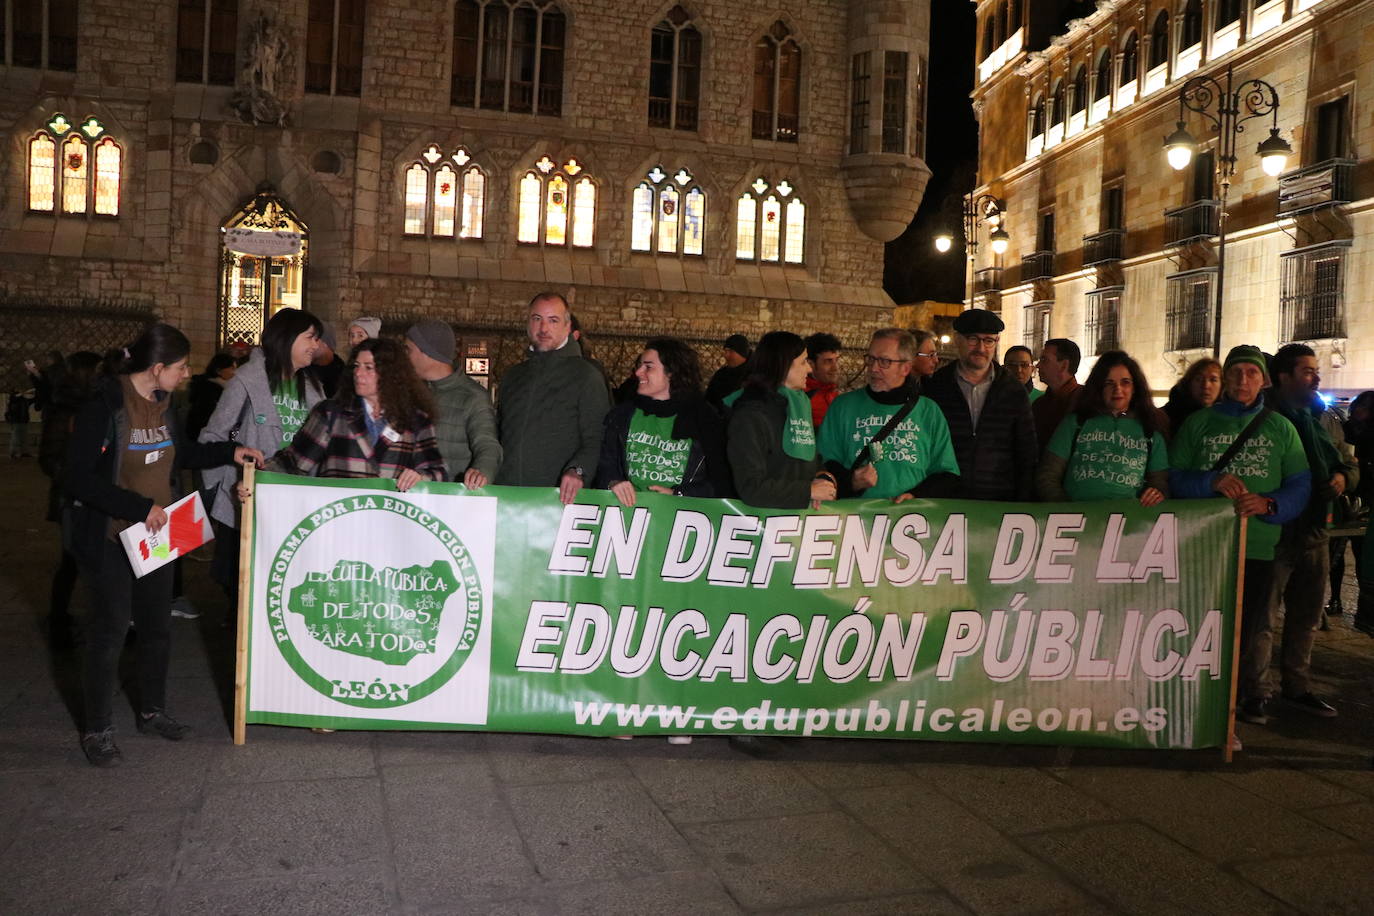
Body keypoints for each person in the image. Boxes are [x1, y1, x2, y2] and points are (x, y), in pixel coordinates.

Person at [64, 323, 265, 767]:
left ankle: (152, 710)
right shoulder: (106, 406)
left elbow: (182, 453)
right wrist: (136, 507)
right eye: (180, 366)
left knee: (157, 627)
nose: (188, 373)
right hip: (112, 534)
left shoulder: (166, 403)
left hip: (160, 532)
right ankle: (97, 728)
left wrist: (229, 452)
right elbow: (77, 477)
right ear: (156, 368)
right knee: (111, 631)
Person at [1170, 345, 1311, 728]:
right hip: (1205, 547)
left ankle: (1235, 704)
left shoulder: (1281, 427)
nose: (1242, 380)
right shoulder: (1198, 423)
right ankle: (1194, 699)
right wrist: (1209, 481)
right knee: (1199, 627)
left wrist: (1269, 504)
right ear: (1225, 379)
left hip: (1259, 546)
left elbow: (1300, 483)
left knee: (1247, 632)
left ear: (1264, 380)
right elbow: (1175, 477)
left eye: (1251, 372)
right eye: (1235, 373)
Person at [201, 308, 326, 609]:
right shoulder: (248, 379)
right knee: (247, 598)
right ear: (287, 338)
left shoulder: (313, 386)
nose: (316, 345)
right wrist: (228, 490)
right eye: (310, 337)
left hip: (296, 507)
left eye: (317, 339)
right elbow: (212, 437)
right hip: (249, 505)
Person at [1263, 344, 1356, 717]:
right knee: (1262, 617)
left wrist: (1340, 478)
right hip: (1274, 532)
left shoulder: (1320, 418)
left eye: (1315, 371)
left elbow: (1348, 462)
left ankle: (1297, 685)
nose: (1316, 377)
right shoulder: (1265, 417)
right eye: (1306, 371)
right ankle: (1253, 689)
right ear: (1283, 377)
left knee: (1305, 616)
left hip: (1314, 530)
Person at [267, 337, 446, 487]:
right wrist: (256, 479)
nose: (358, 373)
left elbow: (438, 472)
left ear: (391, 374)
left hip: (390, 523)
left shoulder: (416, 420)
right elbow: (292, 463)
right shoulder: (331, 414)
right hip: (338, 520)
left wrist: (421, 477)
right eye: (356, 366)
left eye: (368, 367)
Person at [494, 292, 610, 503]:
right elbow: (499, 433)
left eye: (553, 320)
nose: (544, 328)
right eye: (537, 319)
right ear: (528, 324)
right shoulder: (514, 376)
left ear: (567, 327)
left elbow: (598, 437)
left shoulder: (586, 376)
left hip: (557, 500)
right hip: (507, 498)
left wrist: (578, 470)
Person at [818, 328, 959, 501]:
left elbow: (947, 473)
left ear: (905, 368)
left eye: (884, 361)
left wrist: (916, 495)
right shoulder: (843, 406)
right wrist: (850, 482)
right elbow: (825, 464)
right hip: (853, 518)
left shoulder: (929, 411)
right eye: (871, 359)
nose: (874, 368)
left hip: (909, 520)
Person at [597, 337, 729, 505]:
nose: (638, 372)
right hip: (629, 515)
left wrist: (679, 494)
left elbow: (721, 480)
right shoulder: (622, 415)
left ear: (671, 373)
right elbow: (604, 462)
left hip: (682, 519)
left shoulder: (705, 419)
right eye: (639, 366)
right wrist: (613, 482)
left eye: (648, 367)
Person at [922, 309, 1038, 501]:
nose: (981, 348)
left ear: (996, 342)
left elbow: (1026, 452)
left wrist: (1022, 501)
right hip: (945, 499)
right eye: (973, 339)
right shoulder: (937, 387)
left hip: (998, 500)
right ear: (958, 340)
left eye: (988, 340)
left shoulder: (1013, 391)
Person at [1036, 350, 1168, 505]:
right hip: (1076, 524)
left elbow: (1161, 483)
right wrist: (1067, 512)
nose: (1117, 389)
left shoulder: (1150, 431)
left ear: (1135, 387)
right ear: (1098, 387)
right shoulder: (1075, 423)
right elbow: (1047, 476)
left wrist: (1156, 494)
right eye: (1109, 383)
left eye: (1125, 382)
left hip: (1130, 524)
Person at [727, 331, 837, 509]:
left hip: (795, 523)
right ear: (782, 366)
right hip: (762, 525)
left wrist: (822, 478)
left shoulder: (799, 404)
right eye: (802, 362)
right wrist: (807, 491)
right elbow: (751, 487)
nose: (809, 369)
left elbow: (810, 458)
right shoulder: (750, 415)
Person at [39, 351, 102, 648]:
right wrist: (75, 480)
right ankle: (58, 622)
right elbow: (49, 457)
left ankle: (92, 620)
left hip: (92, 495)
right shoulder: (64, 409)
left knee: (88, 561)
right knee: (70, 562)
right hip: (70, 499)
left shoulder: (92, 405)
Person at [404, 317, 502, 486]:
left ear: (427, 352)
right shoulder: (409, 392)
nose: (405, 357)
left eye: (408, 350)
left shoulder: (472, 397)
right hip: (410, 500)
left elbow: (487, 443)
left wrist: (482, 471)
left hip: (451, 500)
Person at [1032, 337, 1082, 451]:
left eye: (1044, 360)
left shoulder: (1085, 401)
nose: (1038, 365)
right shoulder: (1039, 405)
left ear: (1064, 365)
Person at [185, 353, 237, 441]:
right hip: (205, 437)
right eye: (232, 368)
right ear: (219, 371)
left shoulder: (224, 387)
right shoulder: (208, 389)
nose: (236, 372)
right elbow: (206, 417)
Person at [1163, 357, 1223, 432]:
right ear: (1189, 383)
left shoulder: (1226, 417)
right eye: (1199, 379)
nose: (1206, 385)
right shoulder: (1165, 417)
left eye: (1213, 380)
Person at [803, 332, 842, 430]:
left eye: (836, 360)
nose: (835, 368)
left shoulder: (836, 395)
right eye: (828, 361)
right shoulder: (802, 398)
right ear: (811, 363)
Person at [705, 334, 751, 409]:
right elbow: (709, 399)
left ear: (742, 353)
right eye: (725, 351)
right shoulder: (721, 374)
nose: (726, 355)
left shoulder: (754, 376)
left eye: (730, 351)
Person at [313, 321, 347, 397]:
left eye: (314, 339)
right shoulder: (303, 369)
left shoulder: (342, 373)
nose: (309, 345)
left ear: (325, 343)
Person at [6, 389, 32, 458]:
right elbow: (14, 398)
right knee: (16, 438)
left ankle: (23, 452)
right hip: (17, 421)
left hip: (21, 421)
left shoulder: (22, 401)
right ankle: (14, 452)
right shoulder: (14, 400)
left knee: (23, 438)